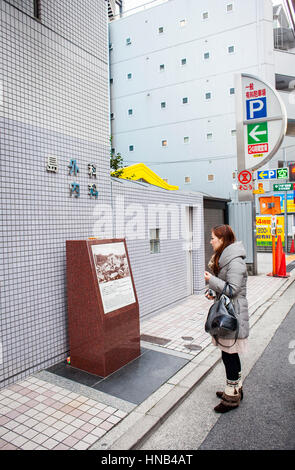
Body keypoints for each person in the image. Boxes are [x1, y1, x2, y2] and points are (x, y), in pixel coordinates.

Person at [204, 224, 249, 413]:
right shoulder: (225, 258)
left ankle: (231, 398)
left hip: (234, 314)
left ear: (222, 240)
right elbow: (225, 288)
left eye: (213, 237)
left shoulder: (235, 261)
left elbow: (232, 289)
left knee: (229, 355)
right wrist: (212, 293)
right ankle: (235, 388)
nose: (211, 241)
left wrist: (211, 280)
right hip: (229, 311)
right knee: (228, 354)